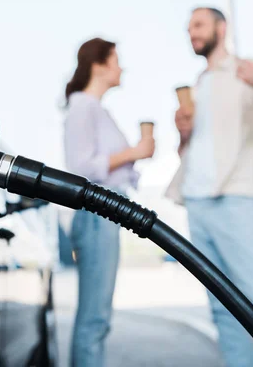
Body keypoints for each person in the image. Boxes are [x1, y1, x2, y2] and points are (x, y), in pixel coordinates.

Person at [166, 7, 253, 367]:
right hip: (196, 200)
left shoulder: (247, 71)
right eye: (188, 25)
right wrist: (183, 135)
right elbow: (189, 151)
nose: (190, 31)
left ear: (221, 28)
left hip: (233, 197)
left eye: (198, 24)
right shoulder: (199, 83)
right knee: (222, 306)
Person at [63, 37, 155, 367]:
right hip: (96, 214)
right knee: (95, 316)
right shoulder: (83, 106)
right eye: (116, 60)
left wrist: (136, 157)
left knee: (96, 314)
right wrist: (134, 152)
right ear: (98, 65)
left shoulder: (95, 108)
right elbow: (81, 166)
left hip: (105, 213)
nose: (121, 67)